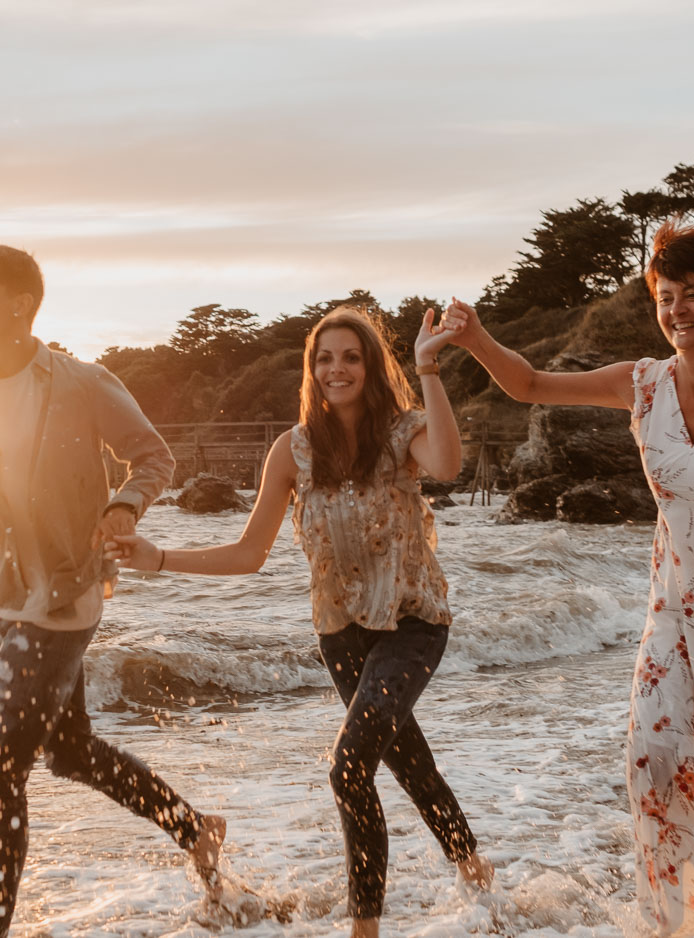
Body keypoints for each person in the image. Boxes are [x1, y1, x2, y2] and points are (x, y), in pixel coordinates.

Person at [441, 221, 694, 934]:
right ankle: (675, 924)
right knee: (653, 770)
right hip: (675, 618)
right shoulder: (642, 384)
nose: (677, 310)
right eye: (666, 295)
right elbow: (528, 385)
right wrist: (474, 338)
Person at [106, 306, 493, 938]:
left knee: (348, 766)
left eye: (350, 357)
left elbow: (448, 464)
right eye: (323, 358)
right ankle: (473, 866)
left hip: (414, 621)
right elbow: (249, 553)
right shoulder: (293, 450)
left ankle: (363, 928)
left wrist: (427, 367)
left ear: (370, 367)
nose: (336, 369)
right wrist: (158, 559)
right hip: (339, 634)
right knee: (407, 762)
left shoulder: (403, 433)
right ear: (311, 370)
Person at [0, 245, 225, 938]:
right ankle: (195, 828)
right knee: (68, 750)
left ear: (20, 304)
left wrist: (125, 505)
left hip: (70, 597)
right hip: (11, 596)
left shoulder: (81, 383)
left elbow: (153, 456)